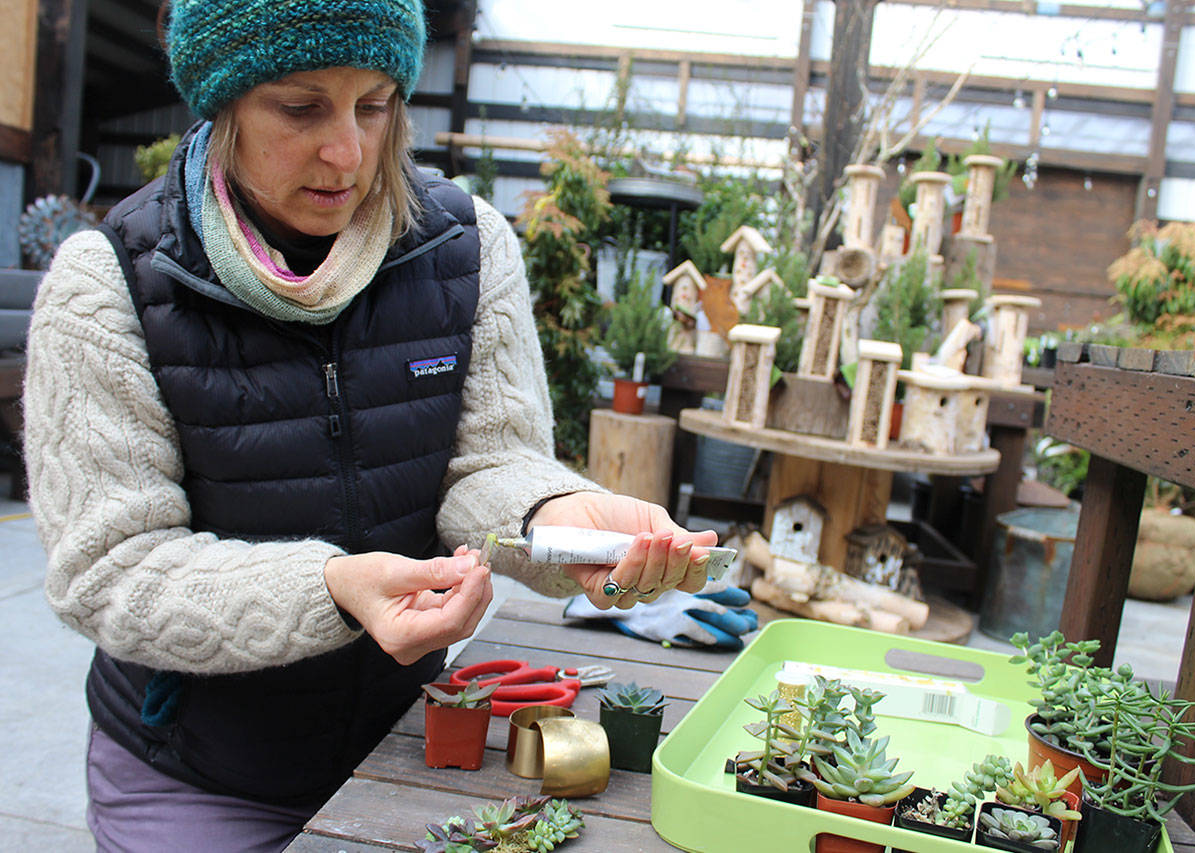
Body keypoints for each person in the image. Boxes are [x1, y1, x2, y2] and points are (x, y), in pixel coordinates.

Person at [22, 2, 718, 850]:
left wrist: (562, 520)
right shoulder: (110, 286)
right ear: (224, 100)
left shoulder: (465, 247)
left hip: (416, 743)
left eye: (377, 103)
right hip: (195, 773)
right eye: (300, 107)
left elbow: (489, 464)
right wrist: (329, 589)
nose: (348, 152)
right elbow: (108, 568)